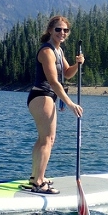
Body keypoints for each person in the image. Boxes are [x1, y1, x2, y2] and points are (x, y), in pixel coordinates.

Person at [26, 15, 84, 194]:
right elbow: (53, 81)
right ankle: (39, 183)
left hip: (46, 97)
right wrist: (70, 103)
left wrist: (77, 64)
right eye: (58, 29)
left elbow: (66, 74)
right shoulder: (47, 51)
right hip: (42, 95)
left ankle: (35, 177)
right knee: (48, 139)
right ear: (50, 30)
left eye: (65, 30)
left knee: (44, 138)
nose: (62, 33)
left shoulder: (59, 51)